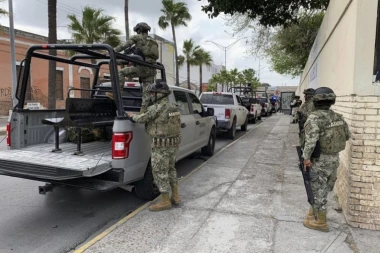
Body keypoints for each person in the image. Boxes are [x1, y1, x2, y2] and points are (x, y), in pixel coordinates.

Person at [127, 80, 181, 212]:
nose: (151, 95)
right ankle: (176, 196)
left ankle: (165, 201)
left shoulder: (155, 108)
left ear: (159, 94)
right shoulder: (174, 106)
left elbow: (141, 119)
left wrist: (131, 116)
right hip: (173, 144)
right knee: (171, 169)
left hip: (160, 145)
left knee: (159, 172)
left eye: (153, 92)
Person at [302, 87, 350, 232]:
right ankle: (313, 213)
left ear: (315, 101)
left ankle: (320, 222)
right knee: (323, 189)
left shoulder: (315, 118)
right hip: (334, 159)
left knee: (317, 189)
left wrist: (306, 158)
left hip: (320, 160)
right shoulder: (338, 117)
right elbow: (347, 136)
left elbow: (311, 140)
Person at [107, 22, 159, 114]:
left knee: (121, 73)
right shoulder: (153, 41)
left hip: (142, 68)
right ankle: (143, 111)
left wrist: (111, 52)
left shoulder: (138, 38)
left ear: (139, 30)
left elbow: (123, 46)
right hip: (151, 70)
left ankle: (117, 94)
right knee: (146, 93)